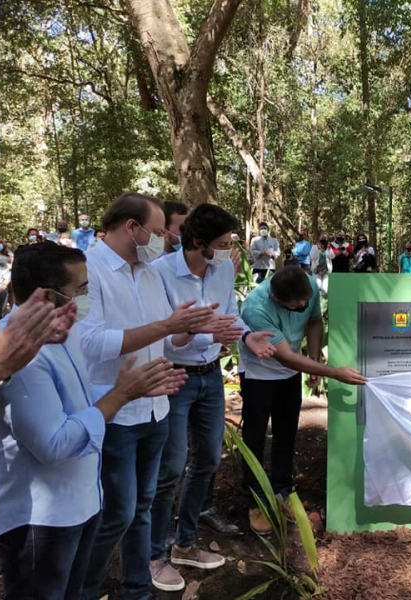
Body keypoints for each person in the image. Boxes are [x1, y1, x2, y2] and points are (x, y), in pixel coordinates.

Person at [0, 243, 185, 600]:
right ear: (46, 296)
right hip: (41, 522)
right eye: (80, 289)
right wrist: (120, 396)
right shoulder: (18, 354)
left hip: (81, 503)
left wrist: (131, 387)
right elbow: (53, 443)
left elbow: (75, 400)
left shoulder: (64, 334)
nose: (86, 298)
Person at [78, 193, 218, 600]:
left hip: (156, 406)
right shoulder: (90, 269)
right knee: (116, 514)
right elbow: (91, 343)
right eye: (158, 232)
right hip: (115, 410)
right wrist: (165, 327)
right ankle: (83, 588)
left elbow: (165, 341)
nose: (165, 240)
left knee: (141, 508)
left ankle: (137, 589)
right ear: (130, 228)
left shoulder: (150, 273)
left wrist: (188, 330)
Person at [150, 205, 275, 591]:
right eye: (221, 244)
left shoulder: (222, 269)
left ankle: (185, 543)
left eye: (230, 243)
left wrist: (245, 336)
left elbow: (231, 315)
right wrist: (202, 334)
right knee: (170, 467)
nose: (228, 251)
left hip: (209, 378)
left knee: (206, 459)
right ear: (197, 242)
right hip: (174, 377)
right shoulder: (161, 274)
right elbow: (164, 337)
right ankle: (154, 554)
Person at [239, 266, 367, 535]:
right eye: (295, 305)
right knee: (255, 438)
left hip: (291, 374)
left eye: (305, 301)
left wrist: (315, 358)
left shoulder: (304, 283)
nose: (303, 306)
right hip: (259, 375)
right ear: (278, 300)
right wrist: (333, 373)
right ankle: (255, 500)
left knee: (286, 433)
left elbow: (314, 321)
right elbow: (284, 355)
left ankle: (283, 492)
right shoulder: (255, 309)